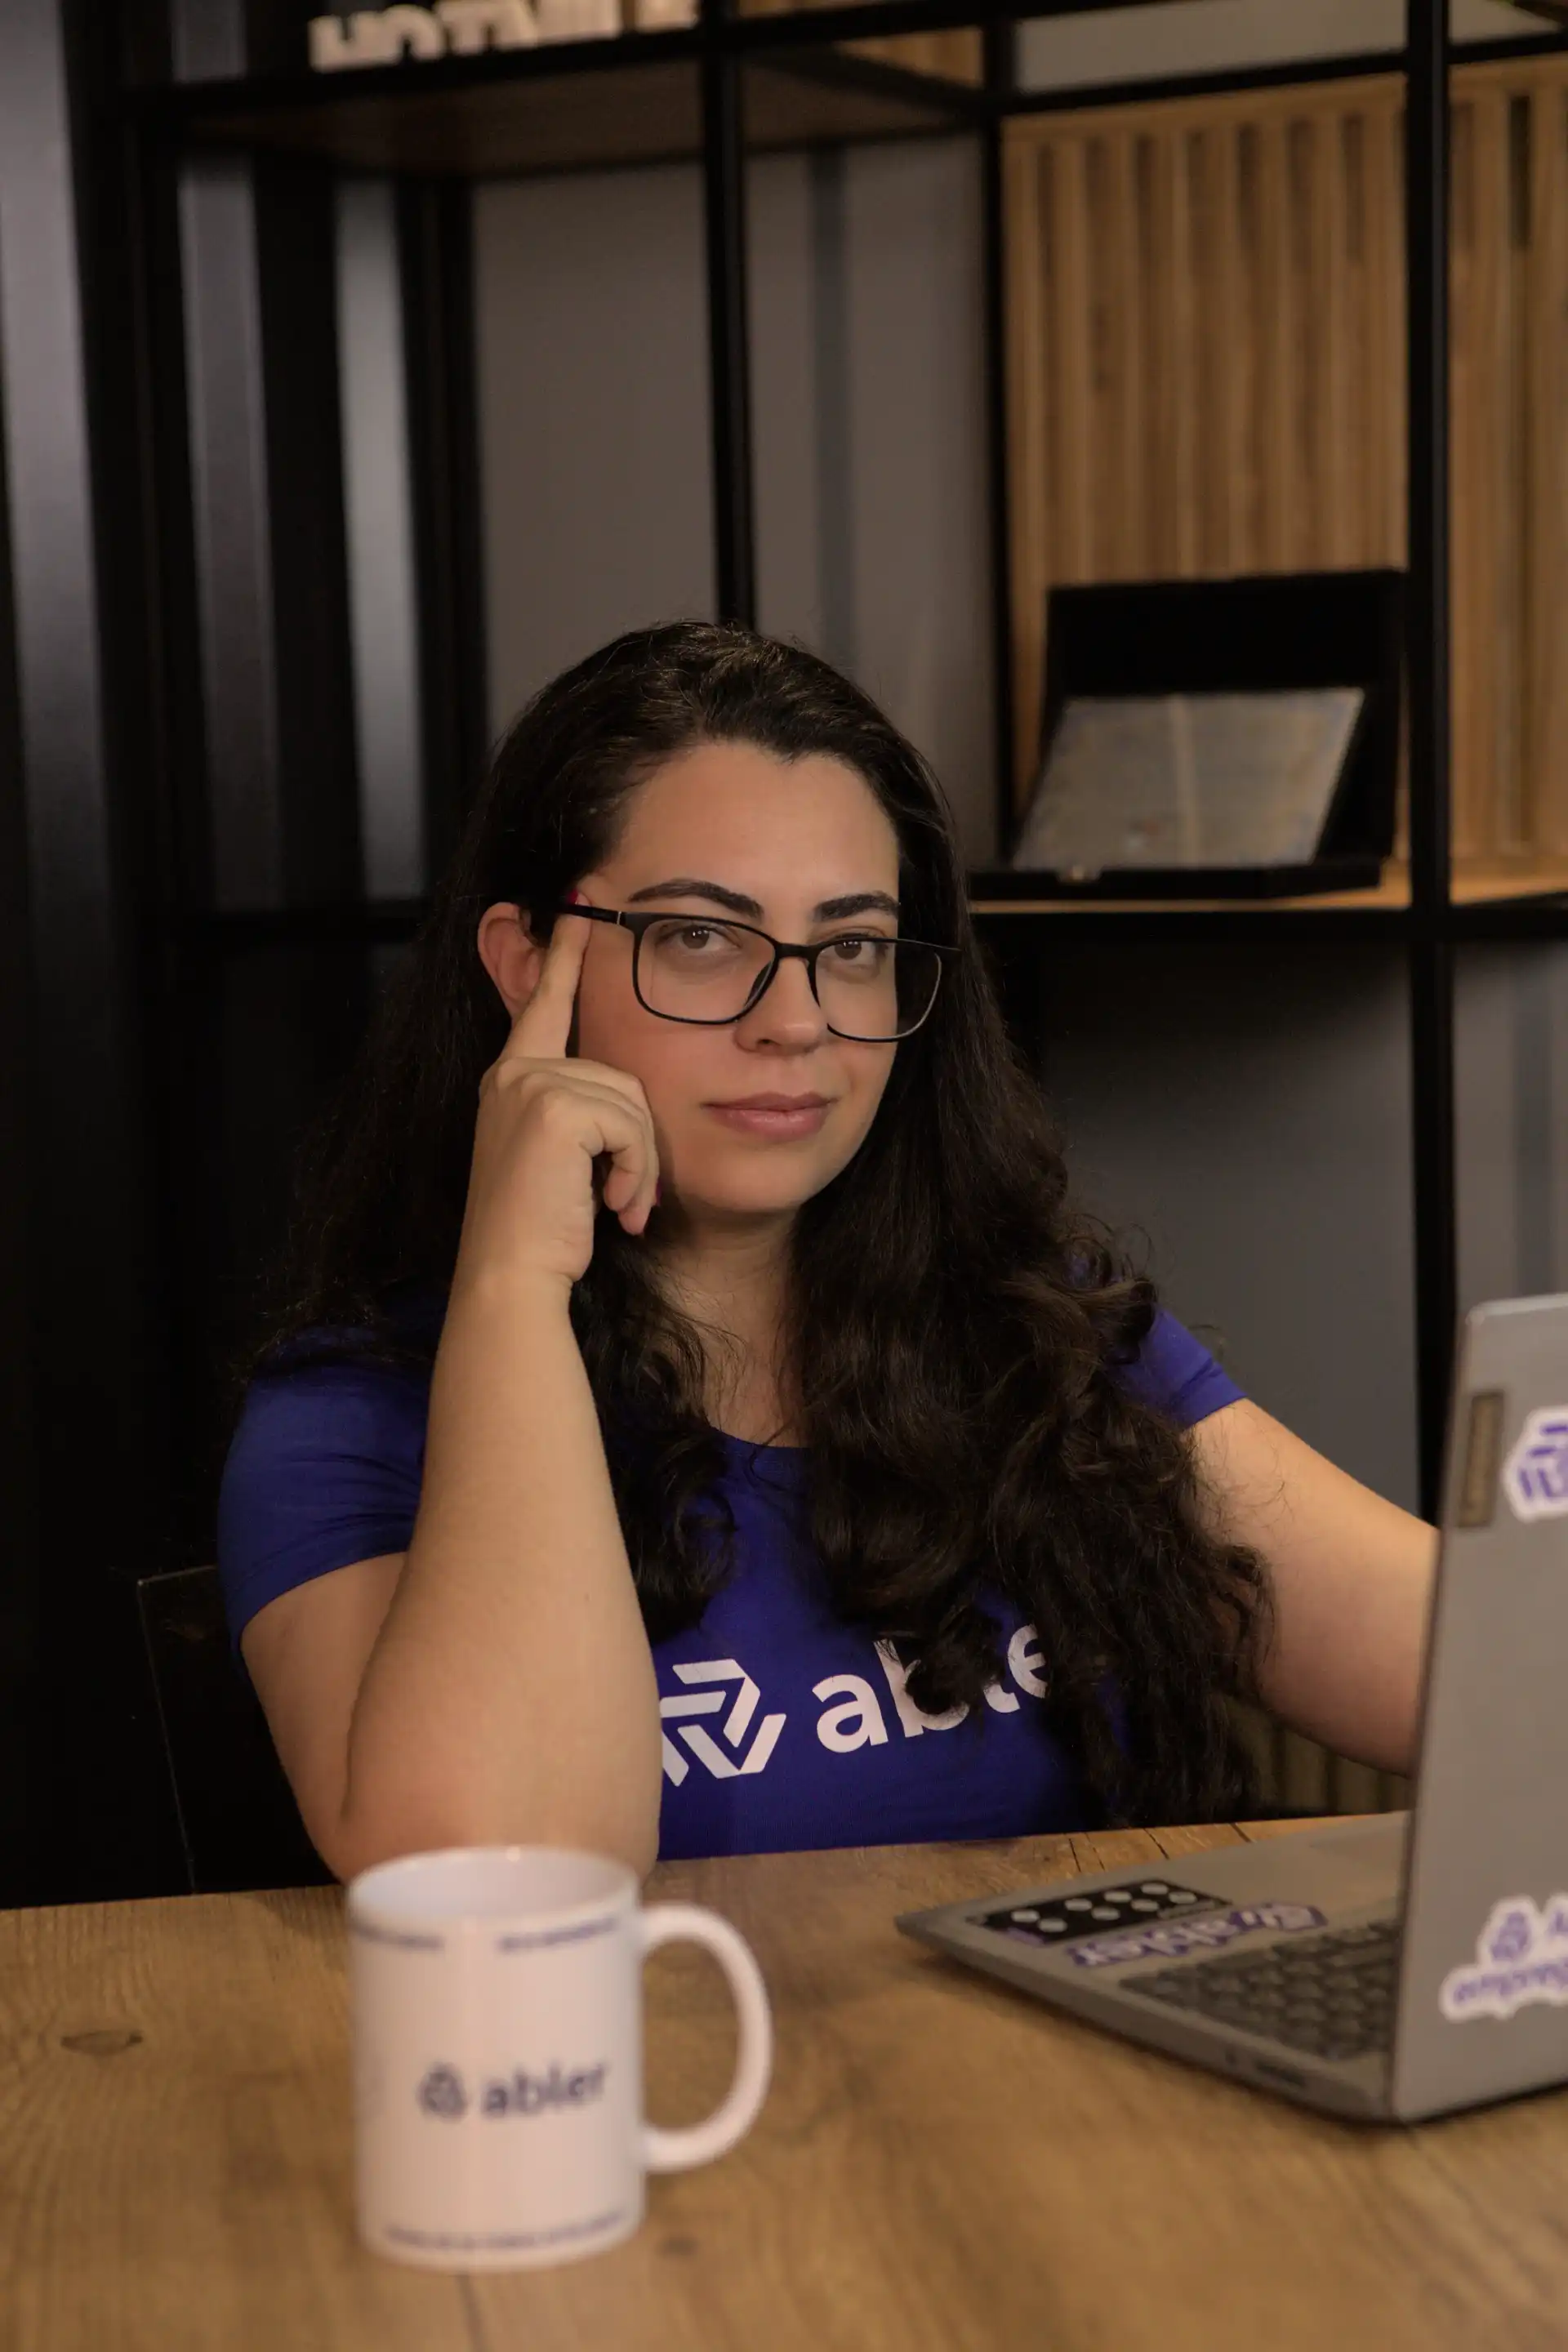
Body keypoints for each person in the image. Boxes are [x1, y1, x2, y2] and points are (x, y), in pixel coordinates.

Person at [218, 621, 1434, 1885]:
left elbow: (1476, 1673)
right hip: (663, 2079)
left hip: (1064, 2078)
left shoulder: (1035, 1334)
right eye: (701, 936)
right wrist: (515, 1287)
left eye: (851, 947)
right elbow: (509, 1886)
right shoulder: (353, 1414)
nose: (796, 1024)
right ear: (528, 966)